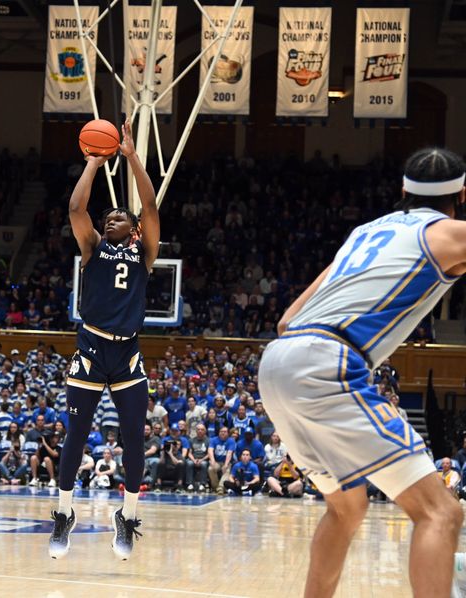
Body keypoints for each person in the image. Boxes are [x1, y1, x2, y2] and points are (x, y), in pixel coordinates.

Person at [259, 147, 466, 597]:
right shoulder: (451, 233)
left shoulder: (364, 232)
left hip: (277, 361)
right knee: (441, 513)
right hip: (328, 363)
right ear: (462, 195)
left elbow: (287, 318)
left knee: (347, 506)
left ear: (403, 193)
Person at [49, 119, 160, 561]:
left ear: (132, 230)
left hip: (127, 351)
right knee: (76, 435)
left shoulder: (143, 252)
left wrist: (131, 156)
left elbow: (149, 206)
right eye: (108, 216)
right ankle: (63, 513)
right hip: (92, 349)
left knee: (134, 436)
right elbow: (77, 209)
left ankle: (128, 517)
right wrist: (94, 163)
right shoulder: (92, 246)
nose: (110, 218)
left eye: (120, 217)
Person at [185, 424, 210, 492]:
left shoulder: (208, 440)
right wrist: (194, 460)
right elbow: (189, 453)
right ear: (196, 431)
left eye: (202, 429)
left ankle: (202, 485)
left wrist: (201, 460)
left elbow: (209, 454)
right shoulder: (191, 440)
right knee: (189, 463)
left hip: (204, 459)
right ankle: (189, 484)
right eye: (198, 429)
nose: (200, 431)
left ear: (205, 431)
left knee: (204, 464)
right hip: (193, 458)